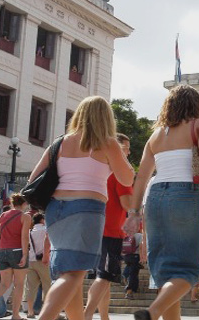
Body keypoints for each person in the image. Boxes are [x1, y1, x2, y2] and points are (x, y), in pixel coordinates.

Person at [28, 96, 135, 320]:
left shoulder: (60, 142)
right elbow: (127, 178)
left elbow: (33, 178)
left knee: (69, 271)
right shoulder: (107, 142)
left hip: (55, 210)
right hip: (87, 208)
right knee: (74, 274)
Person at [125, 85, 199, 320]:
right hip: (185, 193)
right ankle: (152, 312)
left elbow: (141, 178)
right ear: (196, 105)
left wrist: (134, 213)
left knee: (166, 272)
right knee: (189, 268)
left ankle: (156, 312)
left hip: (155, 197)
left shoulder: (155, 135)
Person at [84, 133, 133, 320]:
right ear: (116, 148)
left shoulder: (98, 168)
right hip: (110, 229)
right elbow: (127, 203)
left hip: (94, 227)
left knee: (106, 277)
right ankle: (87, 314)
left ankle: (104, 317)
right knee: (104, 276)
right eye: (126, 148)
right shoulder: (120, 173)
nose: (128, 152)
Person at [24, 213, 50, 318]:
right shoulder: (45, 230)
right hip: (44, 261)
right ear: (42, 220)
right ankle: (47, 311)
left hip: (31, 260)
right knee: (47, 286)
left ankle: (30, 311)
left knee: (31, 287)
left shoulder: (29, 231)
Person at [122, 230, 144, 299]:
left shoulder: (126, 234)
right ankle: (129, 291)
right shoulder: (140, 235)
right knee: (133, 274)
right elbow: (140, 247)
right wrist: (142, 257)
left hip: (127, 256)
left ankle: (135, 287)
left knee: (132, 272)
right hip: (135, 256)